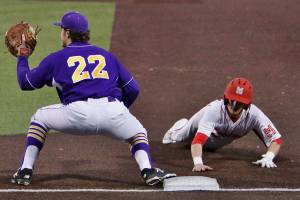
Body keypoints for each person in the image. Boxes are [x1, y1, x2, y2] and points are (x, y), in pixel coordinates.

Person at [11, 11, 176, 186]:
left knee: (39, 118)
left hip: (77, 114)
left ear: (67, 33)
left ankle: (25, 171)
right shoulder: (106, 55)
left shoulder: (57, 58)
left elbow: (26, 82)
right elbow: (133, 88)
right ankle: (148, 171)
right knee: (138, 133)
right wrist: (120, 112)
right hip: (113, 111)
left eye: (61, 29)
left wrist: (23, 57)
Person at [162, 77, 283, 172]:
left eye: (239, 103)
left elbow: (276, 140)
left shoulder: (255, 115)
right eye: (232, 100)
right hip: (201, 124)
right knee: (181, 137)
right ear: (226, 98)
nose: (234, 106)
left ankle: (205, 143)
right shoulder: (214, 111)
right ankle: (178, 128)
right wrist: (198, 163)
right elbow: (198, 141)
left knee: (209, 148)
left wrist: (269, 157)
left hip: (219, 138)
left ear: (247, 104)